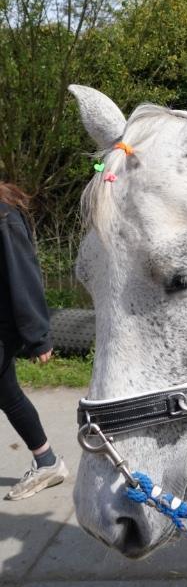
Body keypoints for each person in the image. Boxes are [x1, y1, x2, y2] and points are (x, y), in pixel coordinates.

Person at [0, 182, 68, 499]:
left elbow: (23, 274)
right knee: (7, 393)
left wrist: (37, 335)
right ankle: (47, 461)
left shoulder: (4, 215)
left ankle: (48, 462)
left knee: (8, 394)